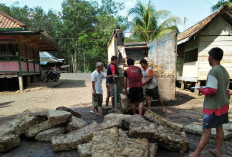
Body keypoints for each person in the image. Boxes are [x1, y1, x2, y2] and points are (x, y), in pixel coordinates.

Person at [189, 47, 230, 157]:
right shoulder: (224, 71)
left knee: (206, 130)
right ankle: (218, 151)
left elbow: (212, 90)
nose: (208, 59)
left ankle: (197, 153)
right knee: (219, 127)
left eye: (208, 57)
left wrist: (202, 89)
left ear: (211, 58)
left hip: (213, 108)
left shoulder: (213, 71)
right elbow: (226, 90)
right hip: (223, 106)